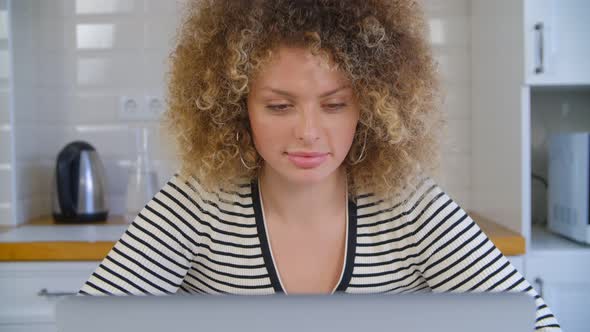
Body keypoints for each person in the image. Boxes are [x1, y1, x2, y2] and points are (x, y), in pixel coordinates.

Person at [79, 0, 561, 330]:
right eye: (279, 106)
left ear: (370, 106)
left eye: (334, 106)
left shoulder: (408, 203)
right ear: (235, 107)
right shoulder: (199, 199)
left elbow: (532, 321)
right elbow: (92, 320)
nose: (308, 131)